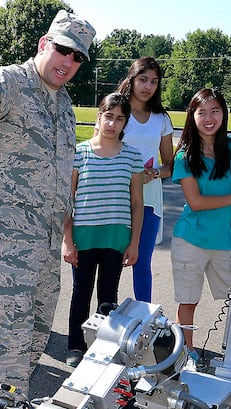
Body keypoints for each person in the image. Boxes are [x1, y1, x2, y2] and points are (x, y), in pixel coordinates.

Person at [0, 10, 95, 396]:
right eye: (64, 50)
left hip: (43, 244)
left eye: (79, 57)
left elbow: (60, 178)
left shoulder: (64, 105)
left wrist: (64, 235)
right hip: (6, 242)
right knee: (7, 348)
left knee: (34, 341)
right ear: (45, 44)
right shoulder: (10, 81)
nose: (69, 62)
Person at [62, 93, 144, 367]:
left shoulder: (132, 157)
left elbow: (136, 203)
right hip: (84, 236)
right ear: (99, 117)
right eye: (109, 116)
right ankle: (76, 344)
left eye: (120, 119)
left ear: (125, 124)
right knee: (81, 292)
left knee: (108, 294)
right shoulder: (79, 153)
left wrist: (134, 243)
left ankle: (105, 346)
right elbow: (68, 200)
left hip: (116, 236)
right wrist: (67, 240)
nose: (113, 123)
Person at [170, 88, 231, 356]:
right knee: (188, 301)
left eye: (215, 111)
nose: (208, 117)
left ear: (224, 114)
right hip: (191, 238)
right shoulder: (184, 156)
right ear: (191, 116)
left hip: (224, 240)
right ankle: (186, 353)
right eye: (201, 111)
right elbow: (196, 202)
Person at [115, 57, 174, 303]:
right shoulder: (116, 111)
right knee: (112, 262)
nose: (148, 86)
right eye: (143, 80)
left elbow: (170, 165)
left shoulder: (161, 119)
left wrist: (156, 173)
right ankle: (107, 317)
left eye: (153, 81)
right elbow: (100, 149)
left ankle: (144, 319)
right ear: (131, 79)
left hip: (149, 198)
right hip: (116, 196)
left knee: (141, 260)